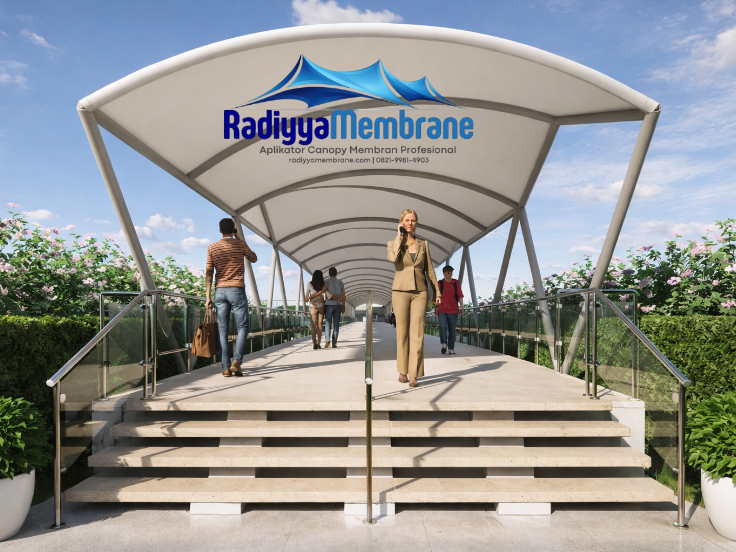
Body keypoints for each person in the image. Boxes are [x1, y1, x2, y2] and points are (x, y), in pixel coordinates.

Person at [387, 208, 440, 388]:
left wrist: (437, 292)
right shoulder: (392, 243)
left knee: (417, 333)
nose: (410, 223)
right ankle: (402, 371)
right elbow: (393, 259)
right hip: (400, 291)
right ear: (401, 222)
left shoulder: (424, 244)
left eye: (413, 220)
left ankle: (414, 374)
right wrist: (399, 237)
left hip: (420, 292)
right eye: (407, 220)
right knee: (402, 333)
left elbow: (430, 270)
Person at [205, 218, 257, 378]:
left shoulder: (212, 247)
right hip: (237, 290)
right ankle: (237, 361)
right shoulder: (240, 245)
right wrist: (239, 238)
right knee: (242, 326)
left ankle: (226, 368)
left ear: (220, 230)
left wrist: (208, 295)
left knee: (222, 330)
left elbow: (209, 272)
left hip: (219, 291)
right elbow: (253, 258)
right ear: (234, 229)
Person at [436, 265, 464, 355]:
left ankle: (451, 348)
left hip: (453, 310)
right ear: (444, 273)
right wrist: (435, 307)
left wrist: (462, 307)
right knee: (442, 328)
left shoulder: (456, 283)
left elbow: (460, 296)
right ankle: (444, 344)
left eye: (451, 272)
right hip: (442, 309)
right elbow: (436, 296)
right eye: (448, 272)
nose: (450, 273)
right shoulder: (440, 283)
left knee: (452, 330)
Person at [323, 267, 345, 348]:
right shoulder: (340, 282)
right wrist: (343, 305)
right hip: (338, 304)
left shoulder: (326, 282)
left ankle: (327, 340)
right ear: (336, 273)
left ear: (329, 273)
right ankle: (334, 343)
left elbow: (325, 293)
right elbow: (343, 295)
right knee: (336, 324)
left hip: (328, 304)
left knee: (328, 322)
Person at [305, 270, 327, 349]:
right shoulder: (324, 285)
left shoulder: (310, 284)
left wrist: (310, 297)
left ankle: (314, 343)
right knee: (320, 324)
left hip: (313, 306)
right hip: (321, 305)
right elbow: (325, 297)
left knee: (313, 325)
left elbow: (306, 298)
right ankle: (319, 343)